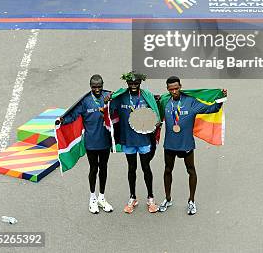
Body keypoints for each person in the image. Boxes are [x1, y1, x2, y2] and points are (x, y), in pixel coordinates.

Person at [158, 76, 227, 216]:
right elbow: (154, 110)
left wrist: (221, 98)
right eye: (171, 89)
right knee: (167, 170)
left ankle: (191, 201)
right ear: (167, 89)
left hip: (186, 143)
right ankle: (168, 199)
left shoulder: (190, 101)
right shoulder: (165, 101)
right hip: (170, 144)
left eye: (176, 88)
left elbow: (211, 108)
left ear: (180, 86)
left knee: (191, 170)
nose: (174, 91)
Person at [58, 74, 113, 214]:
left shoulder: (109, 96)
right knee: (94, 169)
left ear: (103, 85)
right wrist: (62, 121)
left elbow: (123, 100)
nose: (97, 89)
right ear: (90, 87)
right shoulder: (85, 101)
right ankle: (92, 198)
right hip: (91, 143)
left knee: (104, 168)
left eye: (99, 86)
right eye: (94, 87)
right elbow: (73, 115)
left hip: (105, 141)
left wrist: (110, 100)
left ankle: (102, 197)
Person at [108, 72, 160, 214]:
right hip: (128, 139)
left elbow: (156, 112)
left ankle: (150, 197)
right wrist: (108, 99)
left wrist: (155, 122)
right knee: (131, 168)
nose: (133, 86)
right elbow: (108, 108)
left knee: (146, 167)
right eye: (131, 84)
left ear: (140, 83)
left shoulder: (146, 96)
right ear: (127, 84)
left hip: (144, 140)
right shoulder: (121, 97)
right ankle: (133, 197)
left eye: (136, 83)